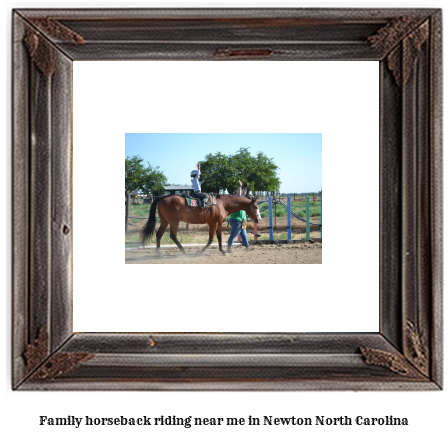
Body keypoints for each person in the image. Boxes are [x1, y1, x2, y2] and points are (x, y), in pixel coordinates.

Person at [227, 180, 252, 253]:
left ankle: (247, 248)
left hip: (242, 221)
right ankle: (228, 250)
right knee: (233, 236)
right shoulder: (237, 201)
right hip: (236, 220)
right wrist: (240, 186)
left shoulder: (242, 200)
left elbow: (242, 195)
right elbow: (239, 195)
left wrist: (246, 188)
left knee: (244, 235)